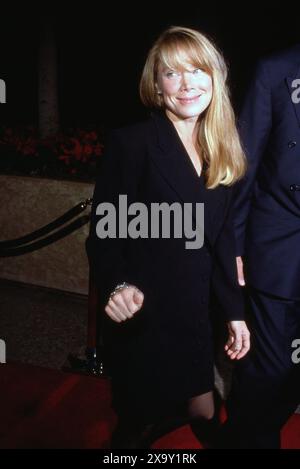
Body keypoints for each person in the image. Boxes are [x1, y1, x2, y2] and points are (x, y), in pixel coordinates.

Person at [86, 26, 250, 449]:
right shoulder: (134, 144)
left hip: (198, 317)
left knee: (206, 410)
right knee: (138, 423)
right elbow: (106, 233)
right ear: (157, 87)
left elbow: (224, 240)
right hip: (149, 319)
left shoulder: (222, 148)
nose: (187, 83)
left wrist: (234, 312)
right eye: (173, 73)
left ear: (214, 77)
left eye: (197, 70)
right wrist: (117, 285)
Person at [225, 44, 300, 448]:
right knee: (270, 368)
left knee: (293, 375)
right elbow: (245, 161)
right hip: (282, 247)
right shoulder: (276, 69)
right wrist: (233, 244)